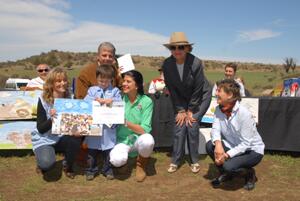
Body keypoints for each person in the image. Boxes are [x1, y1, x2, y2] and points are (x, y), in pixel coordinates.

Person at [162, 32, 208, 174]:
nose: (176, 51)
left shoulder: (196, 63)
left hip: (200, 97)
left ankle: (194, 160)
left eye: (180, 47)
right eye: (173, 48)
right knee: (179, 126)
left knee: (192, 125)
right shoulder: (167, 64)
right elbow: (172, 89)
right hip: (180, 99)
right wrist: (181, 110)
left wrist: (191, 110)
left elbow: (198, 88)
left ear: (187, 48)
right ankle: (175, 160)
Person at [206, 79, 264, 190]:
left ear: (230, 95)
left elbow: (246, 144)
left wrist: (226, 155)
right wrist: (218, 144)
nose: (216, 93)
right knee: (210, 146)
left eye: (219, 91)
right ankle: (227, 173)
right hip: (234, 145)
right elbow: (215, 129)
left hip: (252, 151)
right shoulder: (218, 109)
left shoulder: (244, 114)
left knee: (228, 165)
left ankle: (249, 174)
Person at [31, 68, 81, 179]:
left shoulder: (71, 98)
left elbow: (75, 121)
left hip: (62, 137)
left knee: (76, 139)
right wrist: (52, 119)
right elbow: (41, 129)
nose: (62, 83)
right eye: (58, 81)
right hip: (45, 138)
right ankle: (41, 161)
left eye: (64, 80)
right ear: (51, 83)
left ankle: (68, 166)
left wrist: (78, 129)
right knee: (46, 164)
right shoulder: (43, 100)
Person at [109, 70, 155, 182]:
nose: (124, 84)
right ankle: (124, 164)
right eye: (124, 81)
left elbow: (144, 129)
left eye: (128, 81)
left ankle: (141, 165)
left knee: (148, 140)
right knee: (116, 160)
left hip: (137, 139)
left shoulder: (146, 101)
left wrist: (125, 122)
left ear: (137, 85)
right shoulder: (118, 99)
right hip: (122, 140)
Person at [84, 64, 122, 181]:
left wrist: (112, 101)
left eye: (106, 81)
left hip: (108, 130)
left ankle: (107, 170)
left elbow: (119, 104)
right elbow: (85, 102)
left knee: (108, 152)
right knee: (92, 152)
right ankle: (91, 170)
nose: (104, 83)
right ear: (97, 79)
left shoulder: (115, 91)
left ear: (111, 79)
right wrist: (95, 100)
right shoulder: (92, 90)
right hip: (94, 128)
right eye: (101, 81)